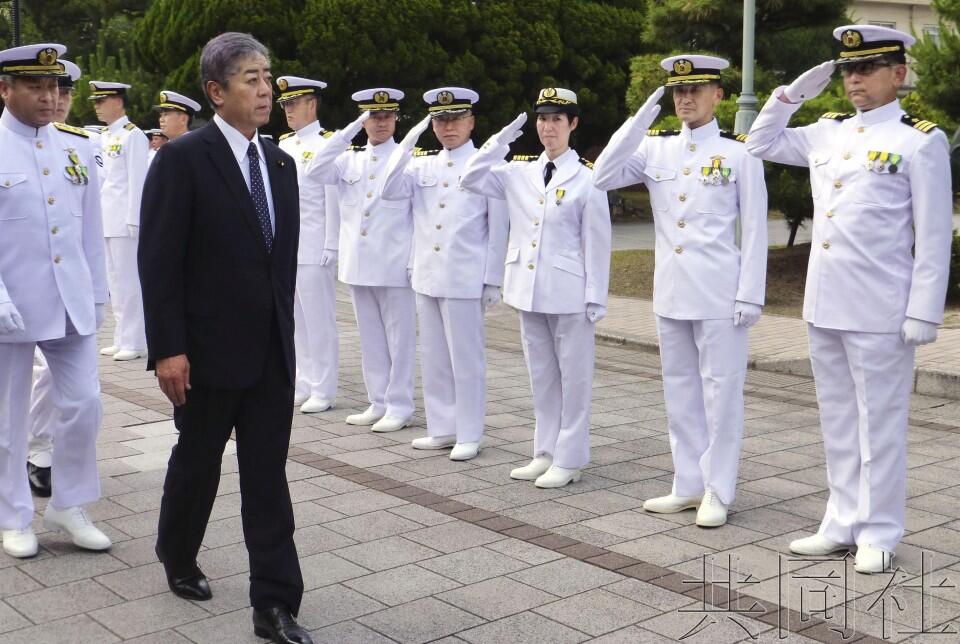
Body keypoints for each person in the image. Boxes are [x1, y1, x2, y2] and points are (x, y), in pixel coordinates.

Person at [745, 25, 953, 573]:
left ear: (898, 74)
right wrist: (790, 96)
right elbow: (760, 143)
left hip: (881, 307)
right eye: (848, 70)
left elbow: (933, 234)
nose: (855, 79)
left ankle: (880, 529)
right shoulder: (827, 132)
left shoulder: (920, 141)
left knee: (880, 423)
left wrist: (923, 310)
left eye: (867, 69)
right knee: (837, 418)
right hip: (825, 301)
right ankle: (840, 520)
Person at [138, 32, 312, 643]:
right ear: (217, 91)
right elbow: (158, 262)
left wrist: (290, 341)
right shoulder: (183, 159)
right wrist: (167, 348)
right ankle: (177, 551)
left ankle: (274, 604)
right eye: (250, 79)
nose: (266, 89)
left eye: (268, 76)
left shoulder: (283, 163)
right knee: (198, 464)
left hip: (270, 354)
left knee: (267, 476)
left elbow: (278, 266)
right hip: (206, 356)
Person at [593, 55, 768, 527]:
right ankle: (687, 483)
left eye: (696, 89)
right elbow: (602, 175)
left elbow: (754, 228)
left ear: (719, 95)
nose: (685, 98)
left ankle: (718, 489)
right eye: (677, 91)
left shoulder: (739, 153)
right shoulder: (654, 147)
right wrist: (639, 120)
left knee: (721, 392)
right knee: (680, 392)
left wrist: (750, 293)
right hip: (670, 291)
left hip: (719, 292)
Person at [461, 88, 611, 488]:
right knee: (541, 377)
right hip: (527, 289)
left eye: (556, 120)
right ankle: (544, 452)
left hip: (570, 293)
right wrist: (501, 141)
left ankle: (571, 458)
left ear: (573, 124)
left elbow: (597, 241)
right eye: (542, 119)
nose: (547, 127)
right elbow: (470, 177)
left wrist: (596, 295)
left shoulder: (588, 178)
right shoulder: (518, 172)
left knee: (574, 380)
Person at [0, 43, 112, 558]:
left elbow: (91, 230)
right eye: (35, 86)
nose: (49, 97)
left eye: (53, 87)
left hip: (69, 299)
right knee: (8, 417)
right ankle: (14, 515)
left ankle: (69, 502)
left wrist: (98, 295)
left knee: (84, 402)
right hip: (11, 302)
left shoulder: (78, 145)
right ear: (6, 89)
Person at [381, 87, 509, 460]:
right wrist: (409, 139)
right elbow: (388, 190)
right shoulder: (421, 164)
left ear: (471, 122)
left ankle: (470, 432)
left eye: (455, 119)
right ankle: (442, 428)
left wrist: (492, 278)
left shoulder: (487, 166)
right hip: (428, 274)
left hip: (465, 277)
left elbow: (498, 227)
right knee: (434, 357)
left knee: (466, 360)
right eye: (440, 120)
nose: (447, 127)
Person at [303, 88, 417, 433]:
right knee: (370, 338)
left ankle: (399, 405)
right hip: (358, 262)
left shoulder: (409, 157)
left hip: (395, 263)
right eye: (373, 116)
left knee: (400, 340)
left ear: (396, 118)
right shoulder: (348, 159)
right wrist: (350, 129)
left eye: (386, 116)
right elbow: (314, 169)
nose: (380, 123)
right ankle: (378, 400)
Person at [26, 57, 85, 498]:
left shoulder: (78, 146)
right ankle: (33, 448)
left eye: (63, 92)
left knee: (63, 379)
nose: (58, 100)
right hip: (18, 283)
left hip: (68, 286)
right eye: (49, 90)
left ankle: (42, 450)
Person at [276, 75, 340, 413]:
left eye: (294, 104)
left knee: (319, 320)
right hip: (290, 246)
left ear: (311, 105)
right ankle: (303, 380)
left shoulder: (326, 143)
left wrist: (332, 242)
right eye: (285, 104)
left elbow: (332, 196)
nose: (288, 110)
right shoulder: (284, 144)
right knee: (295, 319)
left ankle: (324, 388)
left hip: (316, 244)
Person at [90, 79, 149, 361]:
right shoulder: (105, 136)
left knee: (129, 282)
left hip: (126, 222)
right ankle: (121, 336)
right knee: (114, 282)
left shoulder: (132, 135)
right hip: (107, 217)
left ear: (118, 101)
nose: (98, 107)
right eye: (96, 102)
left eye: (102, 101)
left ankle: (136, 340)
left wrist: (135, 219)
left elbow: (137, 181)